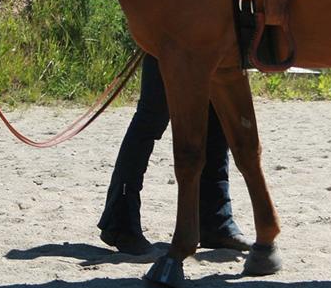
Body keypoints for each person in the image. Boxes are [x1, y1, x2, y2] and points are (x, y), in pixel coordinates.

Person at [98, 54, 253, 255]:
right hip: (169, 34)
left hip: (215, 36)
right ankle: (120, 223)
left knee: (215, 113)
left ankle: (215, 221)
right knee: (152, 116)